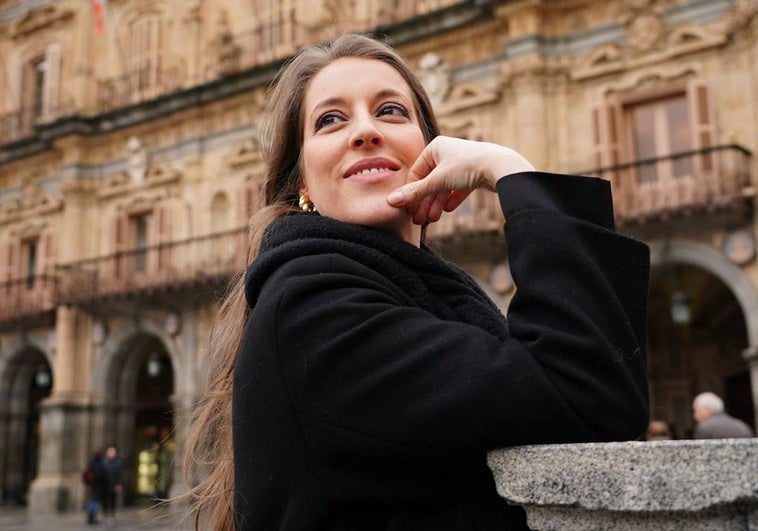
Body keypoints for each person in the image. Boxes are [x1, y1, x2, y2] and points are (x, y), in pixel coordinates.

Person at [182, 34, 650, 530]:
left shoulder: (407, 290)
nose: (364, 131)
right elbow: (587, 391)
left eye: (390, 111)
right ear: (302, 183)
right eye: (330, 119)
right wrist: (510, 170)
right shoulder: (313, 309)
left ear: (430, 152)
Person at [83, 450, 106, 525]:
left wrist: (87, 484)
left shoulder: (92, 462)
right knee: (95, 502)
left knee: (93, 501)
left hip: (93, 486)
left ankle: (91, 517)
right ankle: (91, 517)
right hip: (96, 486)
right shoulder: (97, 463)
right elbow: (99, 475)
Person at [102, 446, 123, 526]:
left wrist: (119, 484)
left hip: (114, 485)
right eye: (110, 452)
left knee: (113, 501)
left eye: (113, 452)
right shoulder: (104, 462)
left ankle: (112, 516)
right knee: (105, 501)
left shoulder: (117, 463)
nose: (112, 454)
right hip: (105, 486)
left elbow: (119, 475)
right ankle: (105, 515)